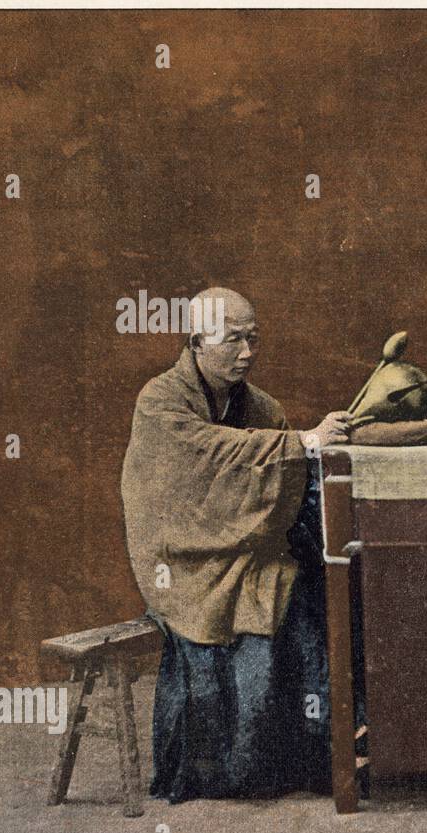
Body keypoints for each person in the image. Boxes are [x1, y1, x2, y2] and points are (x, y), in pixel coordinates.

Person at [120, 287, 356, 802]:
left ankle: (321, 751)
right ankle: (231, 771)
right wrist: (305, 442)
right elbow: (205, 456)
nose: (247, 352)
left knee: (310, 583)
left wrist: (313, 448)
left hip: (245, 553)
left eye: (253, 339)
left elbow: (286, 475)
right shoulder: (161, 400)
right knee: (279, 593)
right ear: (196, 343)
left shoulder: (258, 405)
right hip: (184, 562)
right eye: (233, 341)